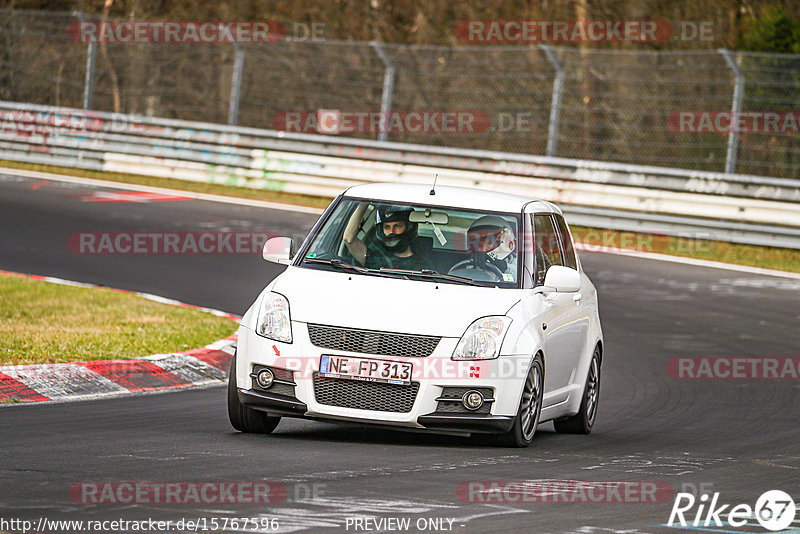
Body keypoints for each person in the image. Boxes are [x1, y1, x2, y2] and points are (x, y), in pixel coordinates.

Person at [343, 204, 434, 271]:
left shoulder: (422, 265)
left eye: (397, 226)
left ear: (408, 227)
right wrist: (363, 204)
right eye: (387, 227)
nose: (391, 232)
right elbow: (349, 239)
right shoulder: (374, 256)